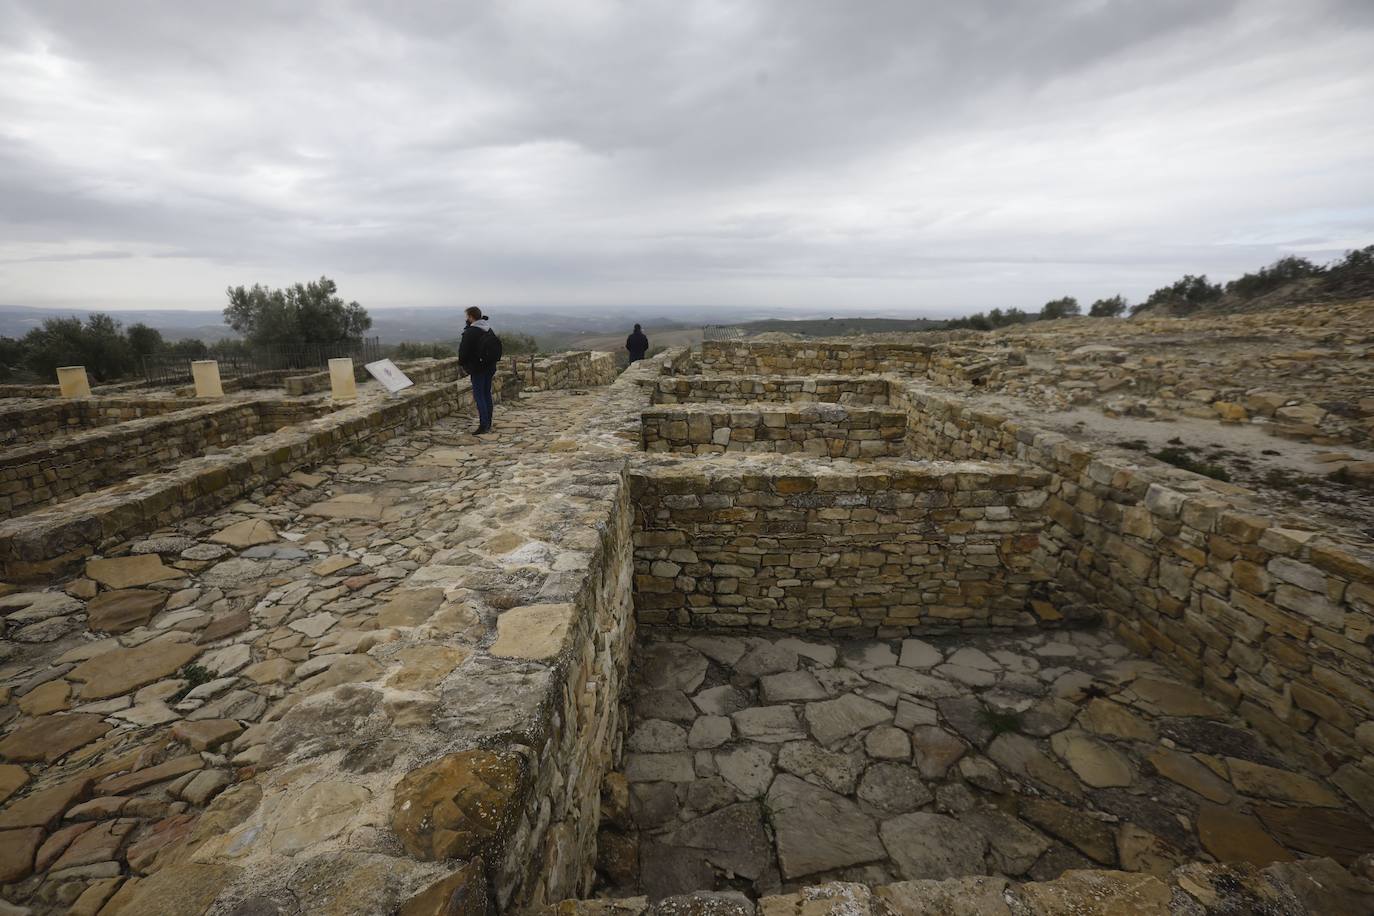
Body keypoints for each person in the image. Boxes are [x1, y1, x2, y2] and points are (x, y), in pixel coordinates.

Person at [459, 306, 498, 434]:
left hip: (478, 368)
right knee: (487, 394)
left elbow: (463, 353)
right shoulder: (488, 329)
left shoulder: (470, 332)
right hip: (490, 366)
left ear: (471, 317)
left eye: (467, 316)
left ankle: (483, 425)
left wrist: (464, 365)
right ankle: (488, 422)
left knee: (479, 396)